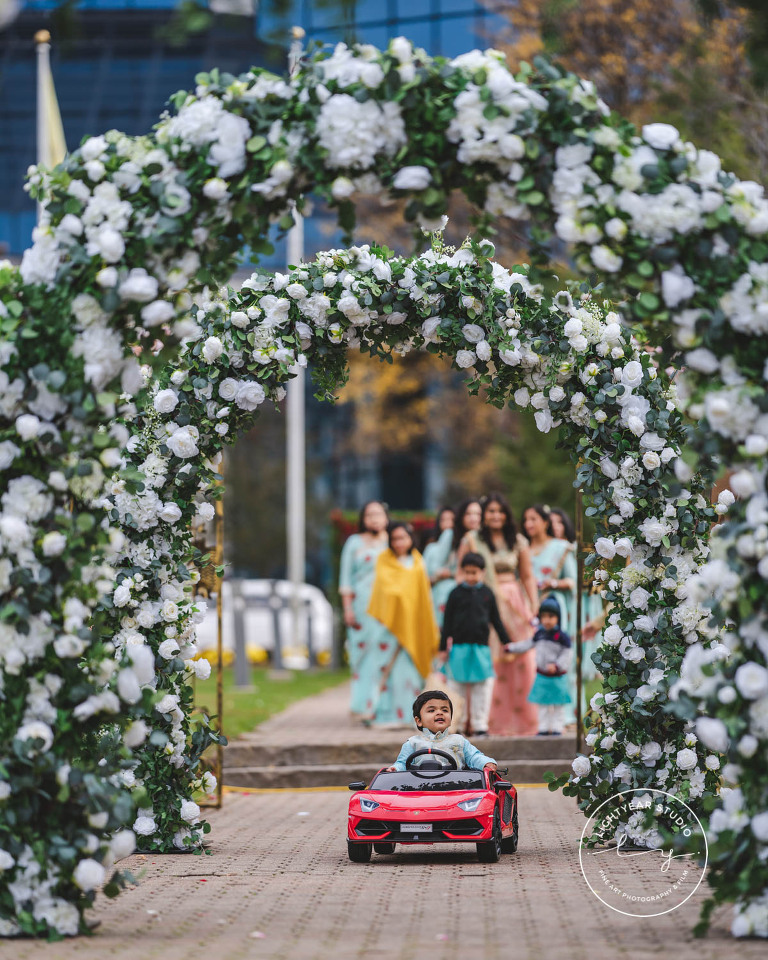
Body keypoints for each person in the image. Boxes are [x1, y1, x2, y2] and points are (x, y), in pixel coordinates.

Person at [459, 493, 539, 736]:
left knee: (521, 658)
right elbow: (461, 575)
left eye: (500, 511)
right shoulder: (472, 540)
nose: (496, 516)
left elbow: (527, 576)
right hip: (483, 603)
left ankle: (524, 722)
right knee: (488, 658)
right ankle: (485, 722)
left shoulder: (518, 541)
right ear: (484, 515)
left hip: (515, 604)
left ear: (507, 514)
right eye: (491, 511)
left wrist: (533, 606)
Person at [365, 522, 439, 726]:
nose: (399, 543)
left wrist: (409, 612)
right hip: (388, 627)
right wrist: (401, 606)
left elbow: (423, 595)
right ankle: (384, 715)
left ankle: (409, 716)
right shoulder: (384, 560)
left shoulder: (417, 561)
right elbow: (384, 591)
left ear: (410, 539)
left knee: (409, 673)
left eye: (403, 538)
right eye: (395, 539)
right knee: (385, 670)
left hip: (413, 625)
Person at [438, 552, 511, 736]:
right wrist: (443, 647)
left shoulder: (487, 594)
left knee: (482, 687)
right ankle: (458, 724)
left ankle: (480, 725)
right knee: (457, 687)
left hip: (481, 648)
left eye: (474, 572)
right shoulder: (455, 594)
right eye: (467, 572)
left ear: (483, 572)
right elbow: (447, 622)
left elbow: (496, 620)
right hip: (459, 648)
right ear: (462, 572)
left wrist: (506, 642)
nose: (471, 576)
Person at [338, 500, 390, 717]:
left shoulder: (393, 541)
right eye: (370, 515)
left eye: (378, 514)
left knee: (385, 654)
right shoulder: (354, 542)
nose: (374, 519)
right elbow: (346, 578)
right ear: (363, 519)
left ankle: (382, 705)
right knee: (362, 655)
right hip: (362, 606)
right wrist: (348, 609)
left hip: (388, 608)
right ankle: (362, 705)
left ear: (386, 517)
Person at [507, 597, 572, 736]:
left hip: (557, 677)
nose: (547, 620)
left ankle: (557, 728)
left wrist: (557, 665)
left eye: (551, 616)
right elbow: (527, 644)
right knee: (542, 704)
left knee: (558, 705)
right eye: (544, 617)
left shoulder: (562, 637)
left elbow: (567, 654)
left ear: (558, 618)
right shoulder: (539, 634)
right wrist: (511, 648)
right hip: (542, 676)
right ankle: (543, 727)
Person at [387, 690, 497, 772]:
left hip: (456, 788)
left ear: (451, 719)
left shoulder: (459, 741)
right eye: (431, 710)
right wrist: (395, 769)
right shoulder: (412, 743)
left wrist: (486, 763)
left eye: (444, 710)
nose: (439, 713)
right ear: (419, 721)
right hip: (421, 789)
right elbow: (402, 764)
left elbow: (474, 757)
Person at [423, 498, 482, 628]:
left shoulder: (482, 537)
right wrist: (452, 574)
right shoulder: (450, 535)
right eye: (468, 514)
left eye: (477, 514)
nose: (473, 518)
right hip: (449, 587)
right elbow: (435, 568)